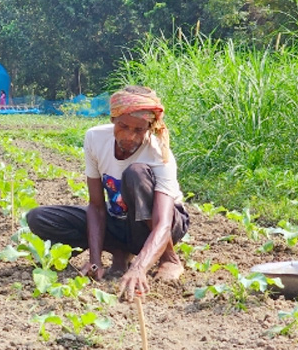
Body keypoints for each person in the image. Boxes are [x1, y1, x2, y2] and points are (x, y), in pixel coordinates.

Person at [26, 85, 189, 301]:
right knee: (39, 218)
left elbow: (163, 224)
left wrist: (140, 268)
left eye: (139, 130)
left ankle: (169, 258)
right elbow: (96, 206)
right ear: (113, 119)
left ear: (149, 127)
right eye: (123, 126)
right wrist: (95, 260)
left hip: (164, 223)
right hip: (120, 220)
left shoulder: (159, 151)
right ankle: (120, 253)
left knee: (136, 173)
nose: (130, 136)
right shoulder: (95, 138)